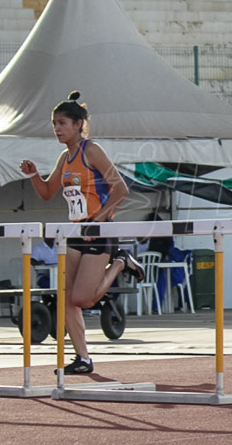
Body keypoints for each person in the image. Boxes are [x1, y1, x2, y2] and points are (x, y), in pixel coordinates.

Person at [19, 91, 145, 374]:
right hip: (76, 230)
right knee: (67, 299)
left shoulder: (92, 151)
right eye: (54, 124)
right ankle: (84, 359)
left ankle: (121, 262)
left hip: (98, 229)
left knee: (84, 299)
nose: (57, 129)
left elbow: (121, 189)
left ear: (78, 124)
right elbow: (47, 193)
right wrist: (33, 175)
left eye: (62, 123)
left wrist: (98, 220)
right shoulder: (65, 158)